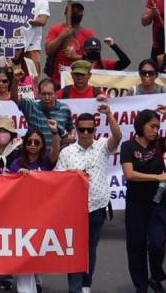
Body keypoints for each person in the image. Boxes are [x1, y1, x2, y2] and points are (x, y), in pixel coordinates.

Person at [57, 102, 122, 293]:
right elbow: (57, 179)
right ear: (76, 130)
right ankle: (74, 288)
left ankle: (86, 284)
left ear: (95, 129)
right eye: (82, 129)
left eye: (90, 129)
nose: (86, 133)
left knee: (90, 249)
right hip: (73, 210)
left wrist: (109, 114)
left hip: (97, 207)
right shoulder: (66, 152)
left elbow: (118, 136)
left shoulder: (102, 146)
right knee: (75, 249)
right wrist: (73, 174)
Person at [120, 106, 166, 293]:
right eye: (152, 126)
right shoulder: (128, 147)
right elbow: (130, 174)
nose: (155, 130)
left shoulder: (158, 144)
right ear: (141, 126)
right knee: (136, 246)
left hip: (157, 202)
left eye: (157, 127)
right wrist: (157, 177)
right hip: (136, 203)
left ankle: (155, 276)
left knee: (158, 243)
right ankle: (141, 286)